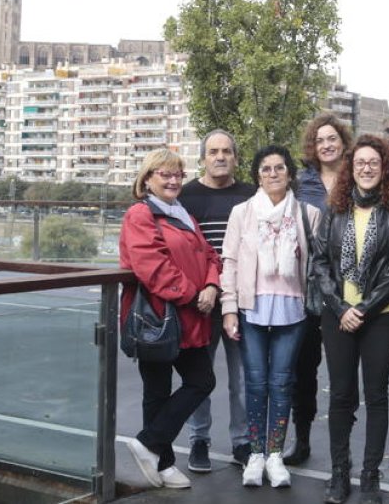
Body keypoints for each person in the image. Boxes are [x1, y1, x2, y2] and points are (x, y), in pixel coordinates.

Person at [311, 134, 389, 504]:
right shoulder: (335, 208)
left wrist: (364, 308)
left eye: (373, 162)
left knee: (376, 395)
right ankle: (340, 472)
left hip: (380, 317)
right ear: (350, 169)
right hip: (338, 316)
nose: (366, 168)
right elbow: (320, 262)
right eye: (360, 163)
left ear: (384, 168)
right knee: (341, 395)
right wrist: (341, 308)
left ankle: (370, 475)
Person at [220, 146, 321, 488]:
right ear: (257, 176)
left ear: (290, 174)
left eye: (280, 168)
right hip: (252, 308)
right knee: (255, 382)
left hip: (293, 310)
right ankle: (256, 455)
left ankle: (275, 455)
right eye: (266, 168)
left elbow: (318, 264)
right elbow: (230, 262)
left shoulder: (308, 214)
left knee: (281, 383)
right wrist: (229, 309)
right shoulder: (242, 213)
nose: (273, 173)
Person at [120, 149, 221, 491]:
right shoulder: (141, 214)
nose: (174, 180)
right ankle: (162, 463)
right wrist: (194, 295)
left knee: (201, 380)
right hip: (158, 318)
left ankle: (148, 444)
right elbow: (153, 267)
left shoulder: (182, 213)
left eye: (178, 174)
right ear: (147, 178)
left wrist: (211, 285)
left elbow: (210, 255)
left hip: (189, 316)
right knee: (157, 391)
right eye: (165, 174)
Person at [180, 130, 257, 472]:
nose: (220, 157)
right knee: (200, 377)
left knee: (242, 379)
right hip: (202, 302)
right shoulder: (186, 196)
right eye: (213, 151)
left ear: (236, 158)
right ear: (203, 158)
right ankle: (199, 439)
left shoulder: (250, 196)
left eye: (226, 151)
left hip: (241, 301)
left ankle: (242, 442)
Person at [284, 113, 353, 465]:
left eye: (332, 139)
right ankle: (302, 439)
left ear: (343, 142)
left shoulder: (358, 176)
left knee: (344, 374)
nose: (326, 145)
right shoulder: (300, 184)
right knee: (304, 369)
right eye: (320, 140)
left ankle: (344, 450)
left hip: (348, 288)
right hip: (309, 288)